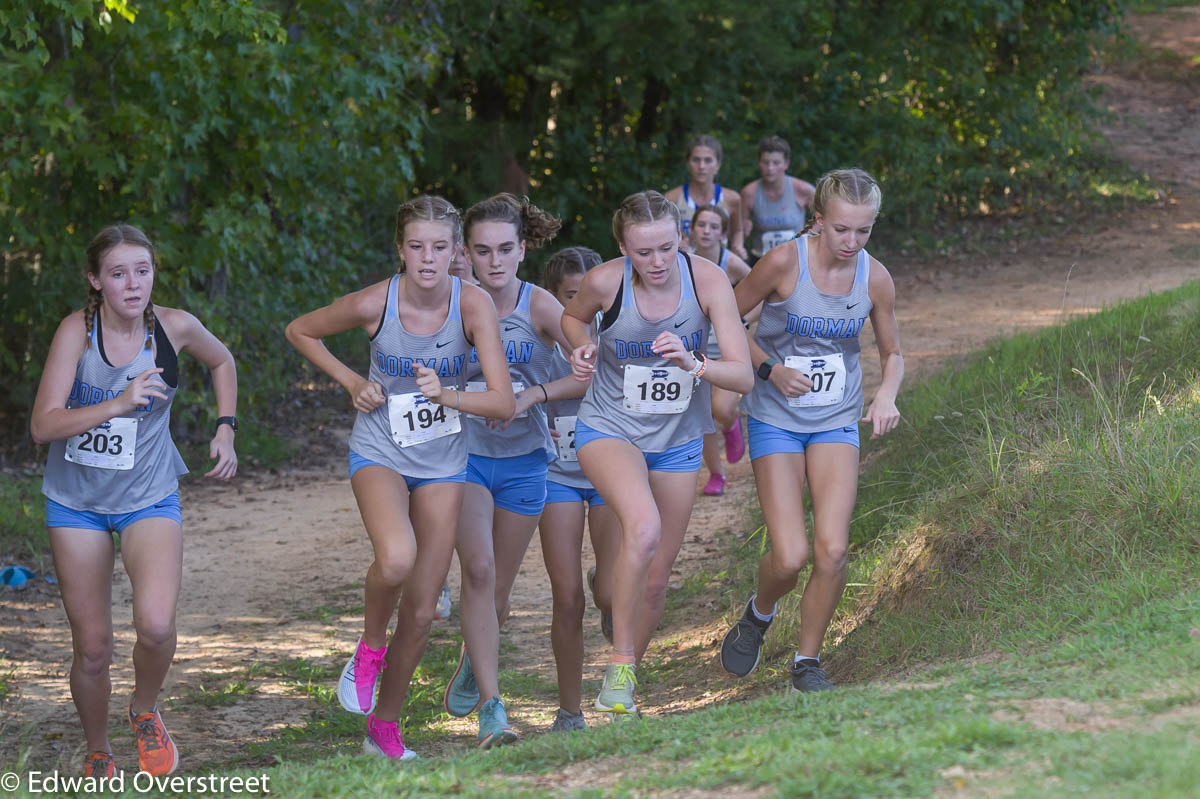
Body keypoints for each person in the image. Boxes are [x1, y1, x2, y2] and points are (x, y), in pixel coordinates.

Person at [286, 195, 514, 760]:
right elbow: (301, 330)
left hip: (443, 462)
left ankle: (383, 727)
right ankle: (368, 647)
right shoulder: (374, 304)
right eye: (417, 247)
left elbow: (504, 402)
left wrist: (449, 395)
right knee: (395, 560)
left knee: (420, 611)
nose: (429, 259)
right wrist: (349, 381)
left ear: (456, 252)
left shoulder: (473, 306)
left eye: (440, 248)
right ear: (400, 250)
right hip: (381, 450)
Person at [31, 224, 239, 778]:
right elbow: (43, 424)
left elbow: (223, 361)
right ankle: (98, 750)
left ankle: (144, 710)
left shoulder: (174, 328)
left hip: (148, 495)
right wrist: (118, 403)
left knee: (156, 625)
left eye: (142, 271)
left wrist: (226, 427)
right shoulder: (77, 332)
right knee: (93, 646)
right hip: (76, 502)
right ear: (95, 280)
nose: (133, 284)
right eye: (118, 273)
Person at [562, 190, 754, 718]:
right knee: (642, 529)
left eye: (667, 248)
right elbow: (571, 318)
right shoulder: (605, 281)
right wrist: (581, 347)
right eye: (643, 253)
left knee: (655, 576)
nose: (657, 262)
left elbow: (741, 374)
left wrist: (695, 364)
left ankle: (622, 681)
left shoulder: (708, 281)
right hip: (609, 428)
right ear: (623, 248)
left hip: (677, 441)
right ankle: (621, 661)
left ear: (681, 238)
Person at [719, 168, 902, 692]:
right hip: (776, 416)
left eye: (863, 231)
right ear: (817, 220)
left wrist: (885, 393)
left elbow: (892, 353)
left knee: (833, 550)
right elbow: (725, 319)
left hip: (835, 419)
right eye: (842, 229)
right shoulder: (783, 262)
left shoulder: (875, 277)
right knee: (791, 555)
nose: (851, 242)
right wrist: (769, 370)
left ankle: (807, 662)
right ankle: (759, 612)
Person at [441, 193, 586, 747]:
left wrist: (528, 399)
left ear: (523, 249)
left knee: (496, 592)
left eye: (505, 249)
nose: (495, 261)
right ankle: (492, 709)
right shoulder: (450, 304)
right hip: (464, 457)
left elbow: (587, 371)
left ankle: (471, 661)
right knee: (476, 573)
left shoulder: (542, 305)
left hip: (526, 460)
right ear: (466, 254)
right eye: (483, 251)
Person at [536, 246, 621, 732]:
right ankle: (570, 710)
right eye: (573, 296)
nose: (587, 308)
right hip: (558, 475)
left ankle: (607, 592)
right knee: (567, 596)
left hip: (609, 471)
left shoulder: (619, 338)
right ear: (555, 299)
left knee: (609, 590)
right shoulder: (537, 344)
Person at [689, 205, 752, 496]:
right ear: (691, 229)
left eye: (714, 227)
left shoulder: (732, 263)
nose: (706, 231)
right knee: (701, 416)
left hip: (726, 350)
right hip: (692, 352)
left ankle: (731, 425)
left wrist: (743, 322)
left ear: (723, 233)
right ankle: (716, 474)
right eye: (701, 225)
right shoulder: (679, 262)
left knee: (721, 408)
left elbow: (761, 292)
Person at [665, 135, 746, 259]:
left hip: (720, 266)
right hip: (685, 266)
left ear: (718, 164)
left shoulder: (732, 198)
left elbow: (737, 231)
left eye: (708, 160)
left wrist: (737, 247)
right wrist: (676, 244)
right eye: (696, 160)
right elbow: (665, 236)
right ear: (688, 163)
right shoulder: (672, 198)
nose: (702, 166)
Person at [739, 136, 816, 263]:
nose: (770, 168)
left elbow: (823, 219)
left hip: (796, 259)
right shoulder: (749, 193)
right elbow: (739, 232)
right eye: (766, 162)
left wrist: (809, 236)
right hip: (760, 259)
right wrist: (742, 236)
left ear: (786, 163)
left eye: (776, 163)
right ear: (759, 162)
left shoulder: (803, 190)